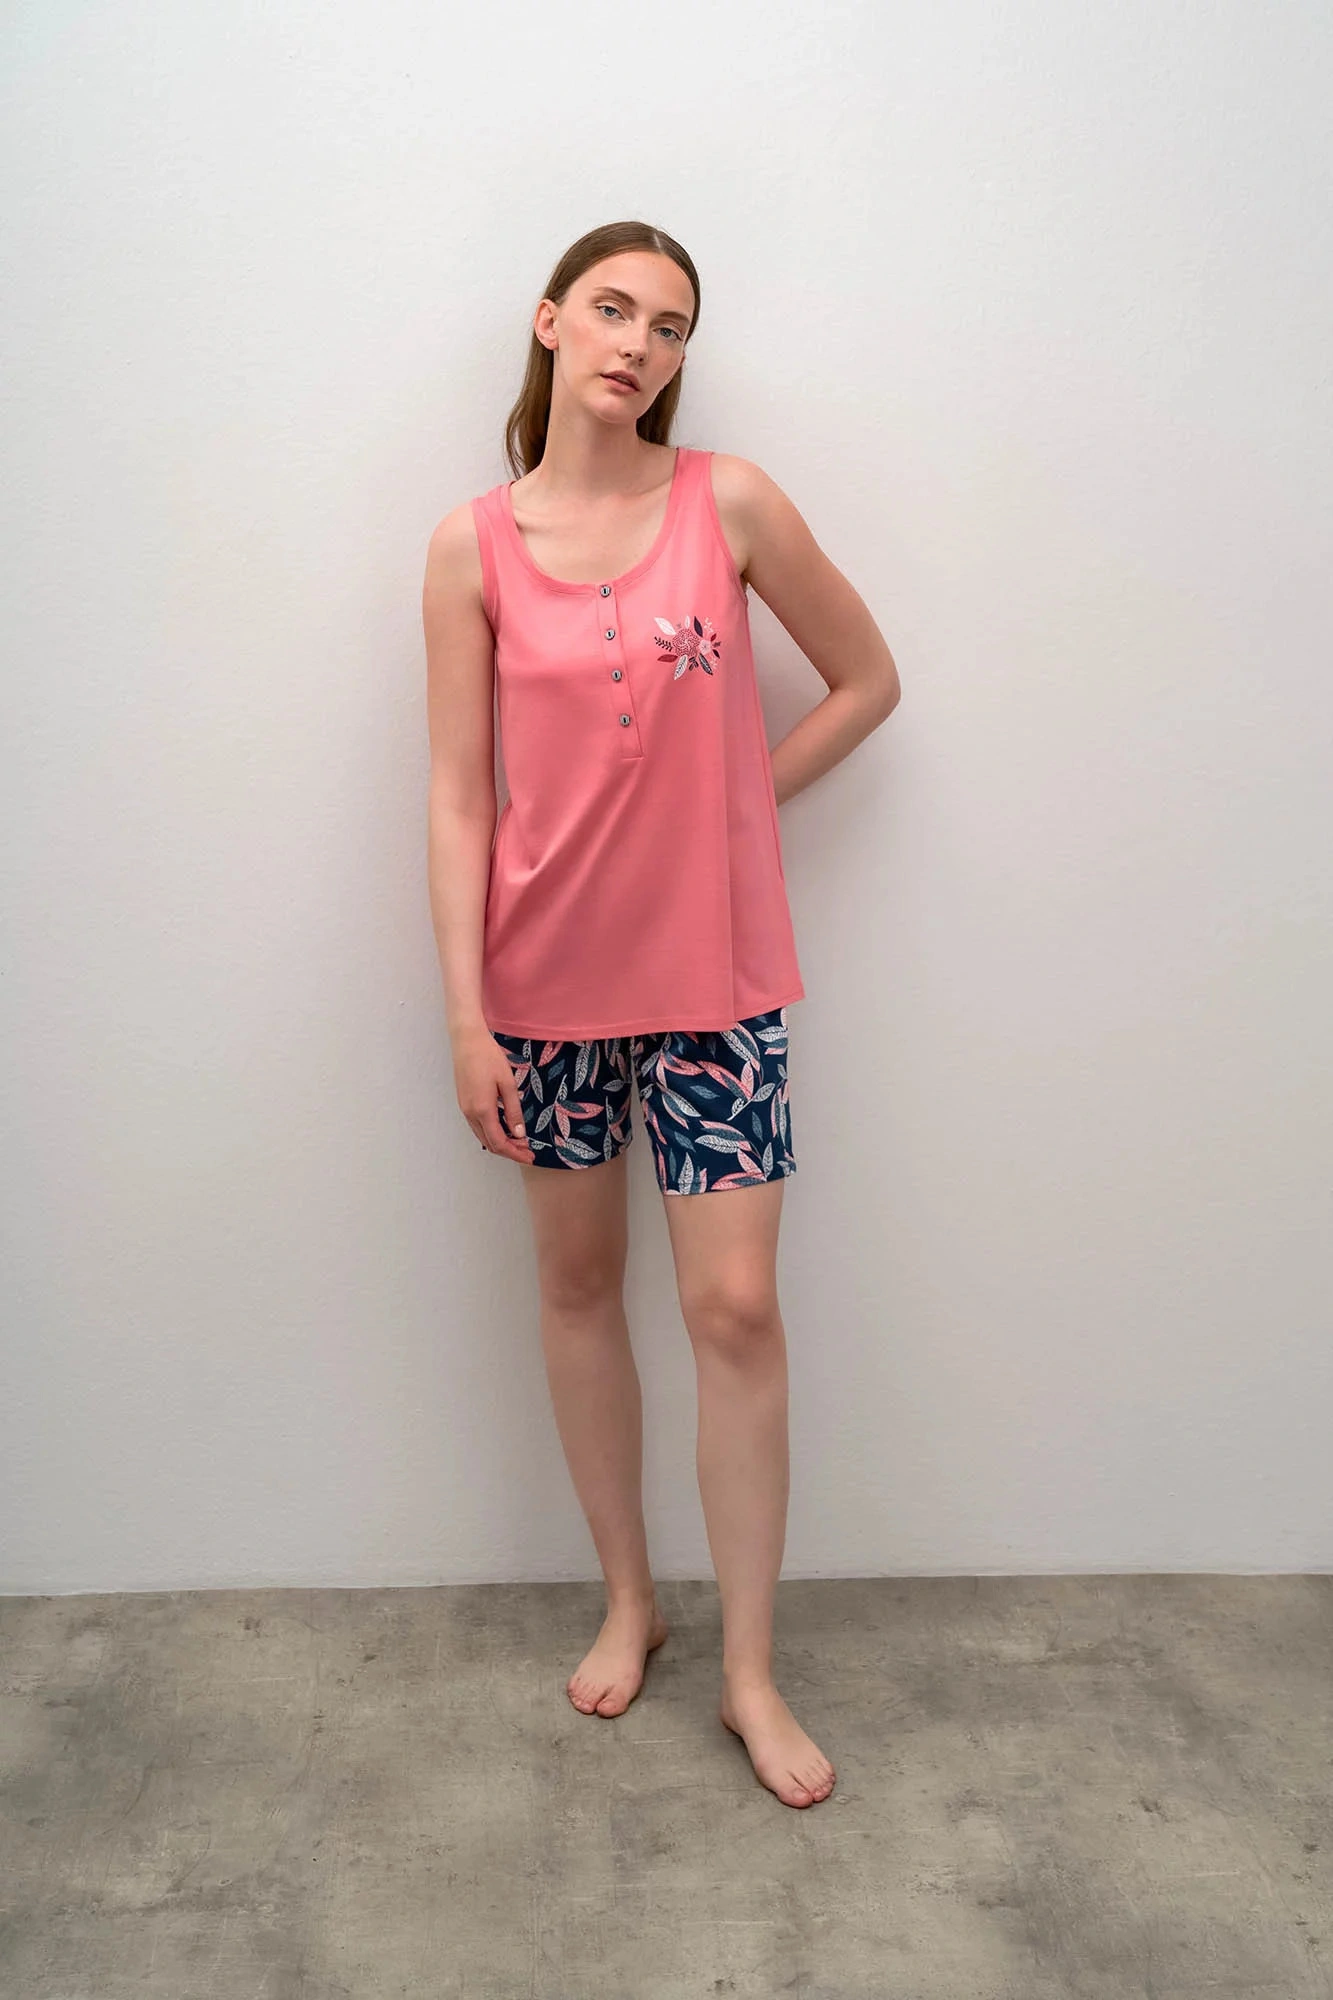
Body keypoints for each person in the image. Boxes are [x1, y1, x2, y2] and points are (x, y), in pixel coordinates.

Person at [422, 220, 900, 1810]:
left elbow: (868, 680)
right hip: (545, 988)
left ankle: (751, 1673)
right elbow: (458, 796)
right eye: (615, 309)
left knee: (735, 1309)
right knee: (576, 1288)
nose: (639, 341)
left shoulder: (730, 503)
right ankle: (629, 1599)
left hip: (715, 981)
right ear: (552, 322)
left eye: (672, 325)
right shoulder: (469, 547)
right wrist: (467, 1018)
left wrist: (734, 801)